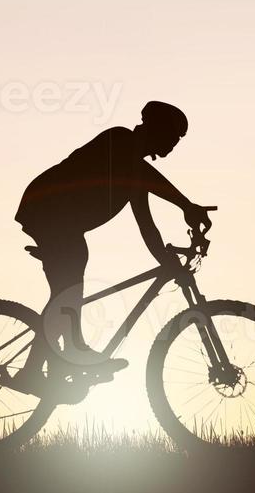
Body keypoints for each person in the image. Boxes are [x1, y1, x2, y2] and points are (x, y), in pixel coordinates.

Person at [15, 101, 212, 374]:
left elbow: (147, 227)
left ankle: (56, 363)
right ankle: (54, 360)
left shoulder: (134, 174)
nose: (174, 143)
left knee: (66, 290)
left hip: (58, 220)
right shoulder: (119, 139)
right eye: (172, 136)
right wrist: (185, 205)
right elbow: (143, 173)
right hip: (46, 209)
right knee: (69, 286)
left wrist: (168, 262)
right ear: (155, 129)